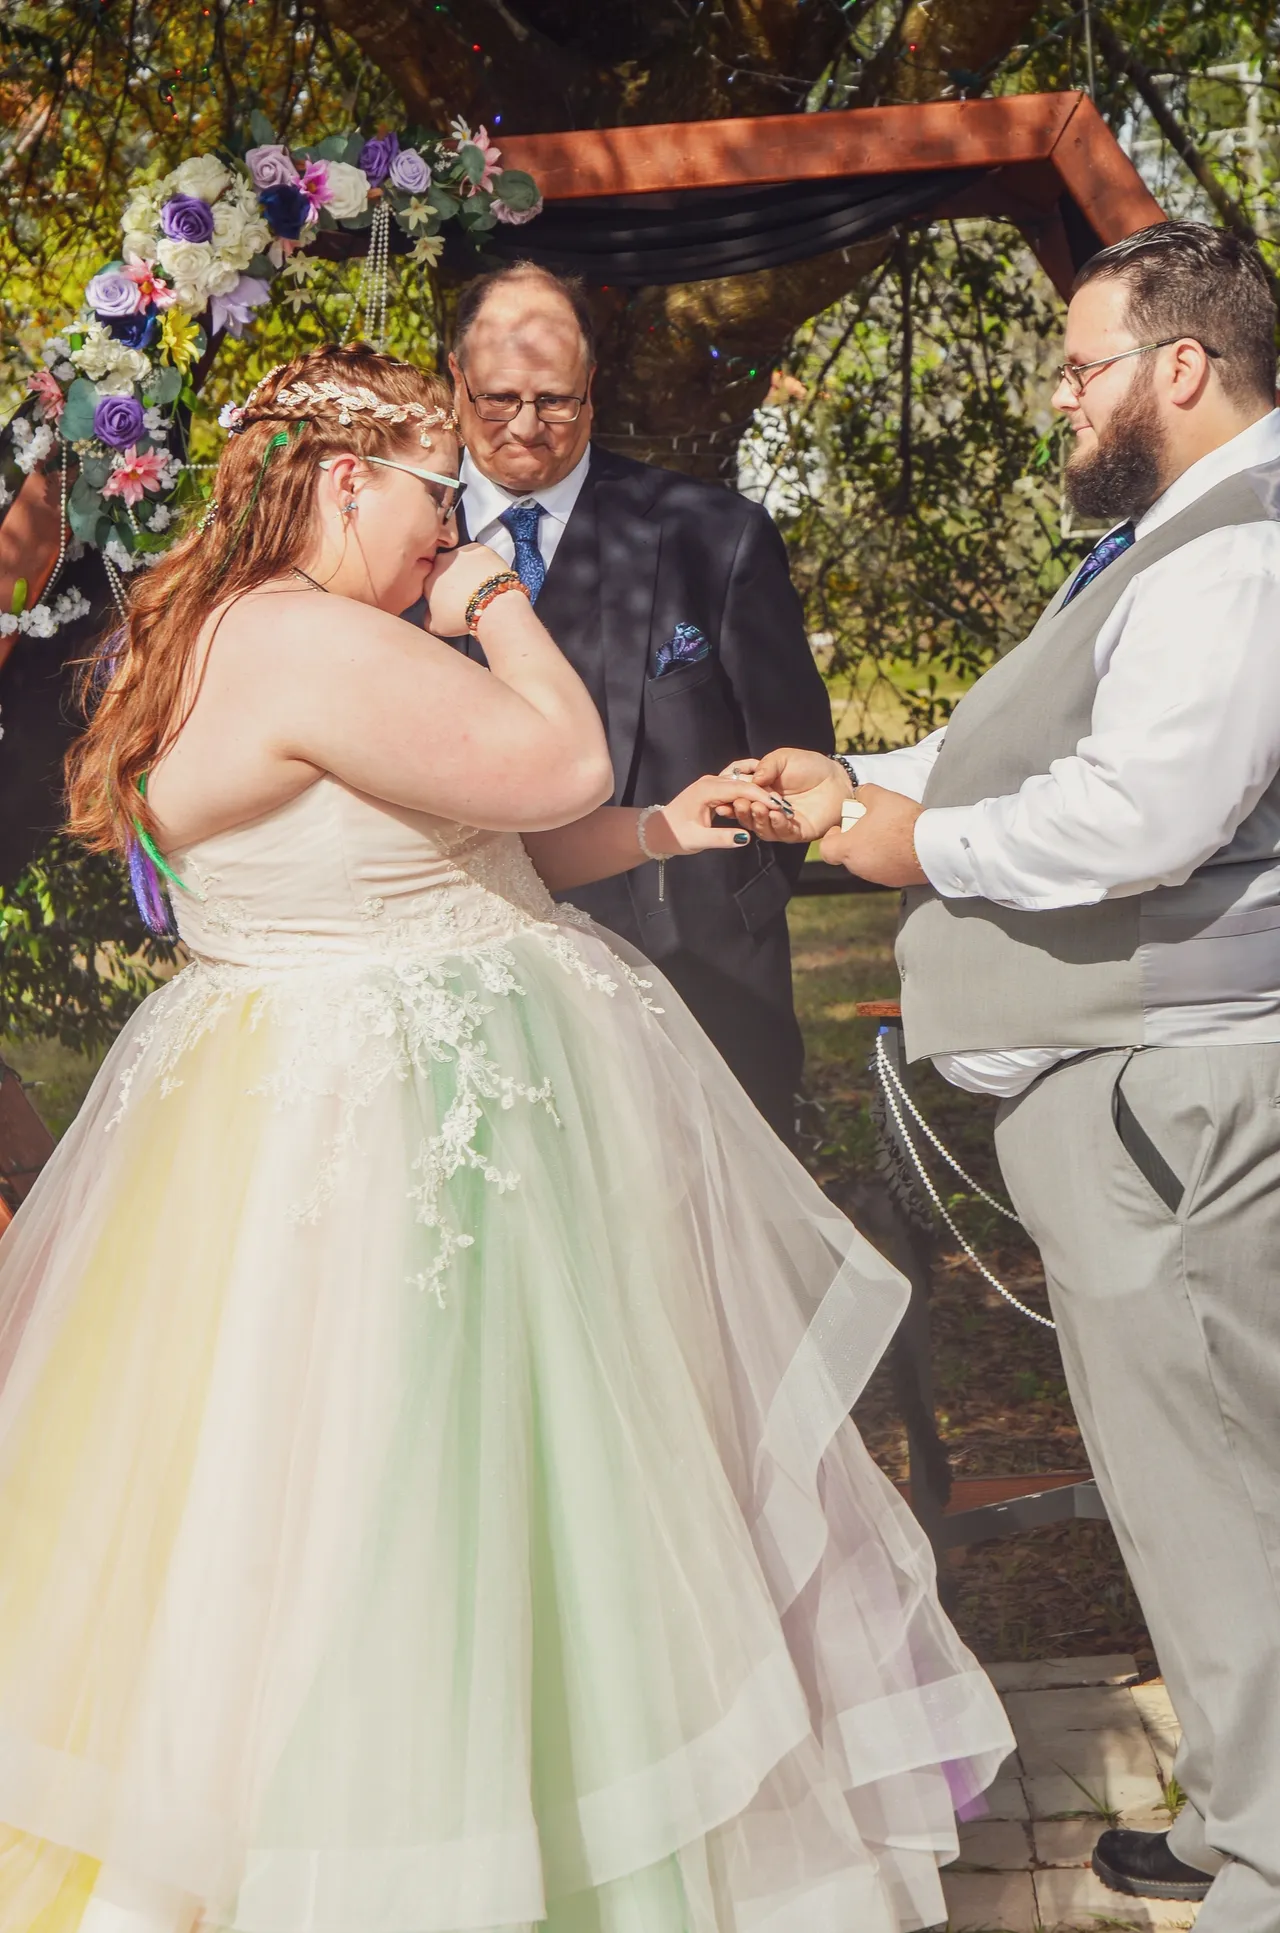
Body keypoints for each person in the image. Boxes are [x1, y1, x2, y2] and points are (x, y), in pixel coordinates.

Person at [0, 342, 1011, 1933]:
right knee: (425, 1501)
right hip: (412, 1140)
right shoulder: (310, 637)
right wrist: (491, 603)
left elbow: (497, 832)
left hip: (305, 1113)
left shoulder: (218, 632)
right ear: (343, 481)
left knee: (324, 1501)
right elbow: (559, 755)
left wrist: (681, 823)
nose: (452, 523)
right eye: (431, 491)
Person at [733, 222, 1280, 1930]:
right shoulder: (1169, 542)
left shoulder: (1234, 555)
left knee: (1220, 1476)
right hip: (1129, 1082)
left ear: (1178, 367)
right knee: (1178, 1474)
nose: (1060, 398)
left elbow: (1145, 814)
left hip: (1167, 1085)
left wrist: (914, 843)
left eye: (1078, 364)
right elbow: (1043, 754)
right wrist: (853, 783)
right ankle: (1242, 1798)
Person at [435, 260, 835, 1142]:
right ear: (455, 383)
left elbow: (795, 761)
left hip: (698, 978)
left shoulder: (713, 535)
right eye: (499, 399)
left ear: (593, 387)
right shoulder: (399, 540)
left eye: (558, 401)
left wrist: (736, 905)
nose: (529, 429)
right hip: (461, 969)